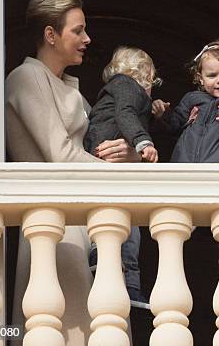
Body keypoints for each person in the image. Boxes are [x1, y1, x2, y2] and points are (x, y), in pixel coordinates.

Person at [5, 0, 141, 345]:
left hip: (86, 222)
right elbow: (62, 155)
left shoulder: (68, 88)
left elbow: (91, 149)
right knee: (65, 328)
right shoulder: (26, 78)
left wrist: (129, 155)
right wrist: (109, 167)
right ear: (51, 35)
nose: (87, 39)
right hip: (56, 227)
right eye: (78, 30)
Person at [84, 46, 161, 304]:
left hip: (108, 152)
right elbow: (126, 113)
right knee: (116, 219)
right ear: (143, 75)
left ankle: (130, 287)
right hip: (109, 151)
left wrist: (154, 109)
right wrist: (142, 142)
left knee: (128, 226)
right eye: (151, 83)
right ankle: (103, 261)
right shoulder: (127, 85)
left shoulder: (120, 89)